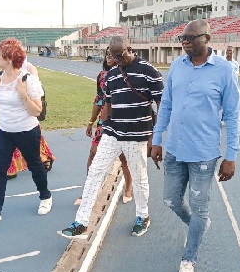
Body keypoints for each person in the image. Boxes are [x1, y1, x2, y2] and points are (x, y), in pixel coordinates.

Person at [150, 19, 240, 272]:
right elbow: (165, 104)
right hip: (175, 149)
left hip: (204, 153)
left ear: (207, 38)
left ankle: (188, 261)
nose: (185, 42)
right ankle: (198, 226)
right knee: (170, 201)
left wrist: (231, 155)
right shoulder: (178, 65)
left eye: (191, 38)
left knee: (200, 207)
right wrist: (157, 139)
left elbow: (234, 115)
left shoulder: (225, 71)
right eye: (182, 38)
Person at [58, 36, 163, 239]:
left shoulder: (148, 71)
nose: (117, 60)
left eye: (120, 55)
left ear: (130, 49)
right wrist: (102, 127)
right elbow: (108, 103)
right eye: (113, 56)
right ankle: (81, 222)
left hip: (137, 135)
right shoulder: (112, 75)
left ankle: (143, 216)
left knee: (139, 177)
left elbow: (163, 104)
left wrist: (155, 138)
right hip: (113, 132)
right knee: (95, 172)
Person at [0, 38, 52, 228]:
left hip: (27, 131)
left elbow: (37, 112)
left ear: (9, 58)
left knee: (35, 165)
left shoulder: (27, 80)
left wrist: (23, 94)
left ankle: (45, 196)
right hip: (4, 131)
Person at [74, 47, 133, 205]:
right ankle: (89, 191)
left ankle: (128, 188)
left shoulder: (129, 74)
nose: (108, 57)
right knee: (93, 153)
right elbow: (99, 99)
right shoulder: (102, 76)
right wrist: (91, 122)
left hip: (123, 121)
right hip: (104, 121)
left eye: (112, 55)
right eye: (107, 54)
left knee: (123, 157)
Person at [6, 62, 55, 179]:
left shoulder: (29, 68)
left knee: (28, 141)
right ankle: (10, 167)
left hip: (27, 111)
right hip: (12, 113)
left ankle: (44, 157)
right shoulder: (8, 70)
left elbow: (38, 92)